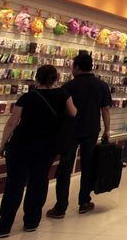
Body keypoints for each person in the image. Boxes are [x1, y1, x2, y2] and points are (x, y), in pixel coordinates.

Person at [0, 65, 77, 238]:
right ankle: (31, 222)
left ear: (37, 77)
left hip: (20, 145)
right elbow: (74, 113)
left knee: (14, 184)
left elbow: (12, 122)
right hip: (47, 146)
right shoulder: (63, 94)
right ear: (56, 78)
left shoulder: (27, 97)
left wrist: (3, 145)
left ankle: (4, 226)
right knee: (38, 182)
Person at [47, 53, 112, 219]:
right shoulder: (102, 85)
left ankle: (60, 207)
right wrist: (107, 130)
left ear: (76, 67)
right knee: (88, 165)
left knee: (65, 169)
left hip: (70, 131)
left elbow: (62, 110)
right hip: (92, 130)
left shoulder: (69, 86)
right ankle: (84, 202)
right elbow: (105, 109)